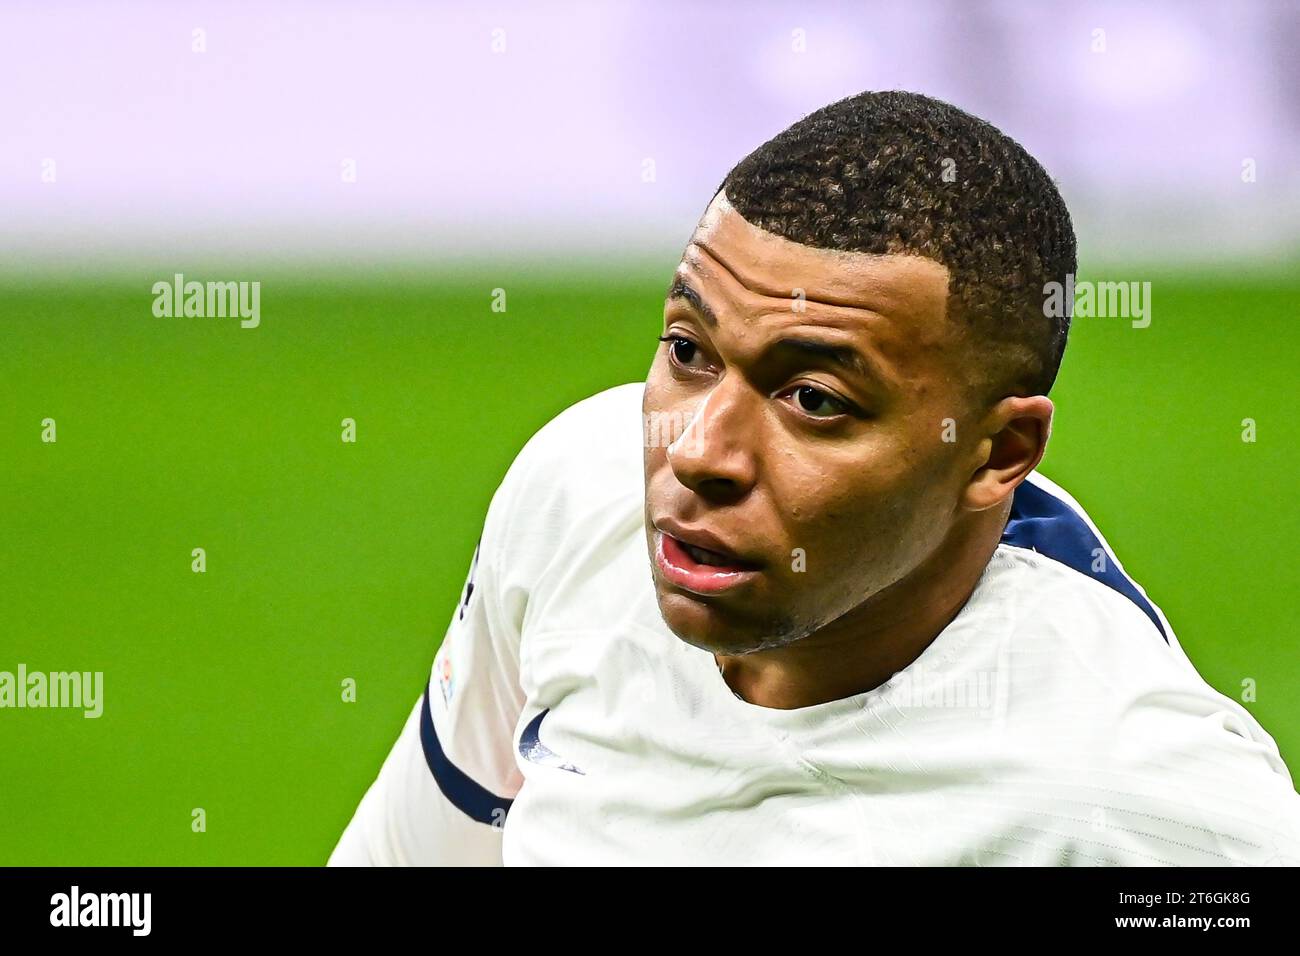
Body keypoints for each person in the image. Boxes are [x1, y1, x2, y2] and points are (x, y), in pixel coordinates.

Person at [330, 91, 1300, 866]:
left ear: (998, 453)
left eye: (815, 400)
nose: (699, 451)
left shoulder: (1142, 801)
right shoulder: (581, 495)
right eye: (688, 348)